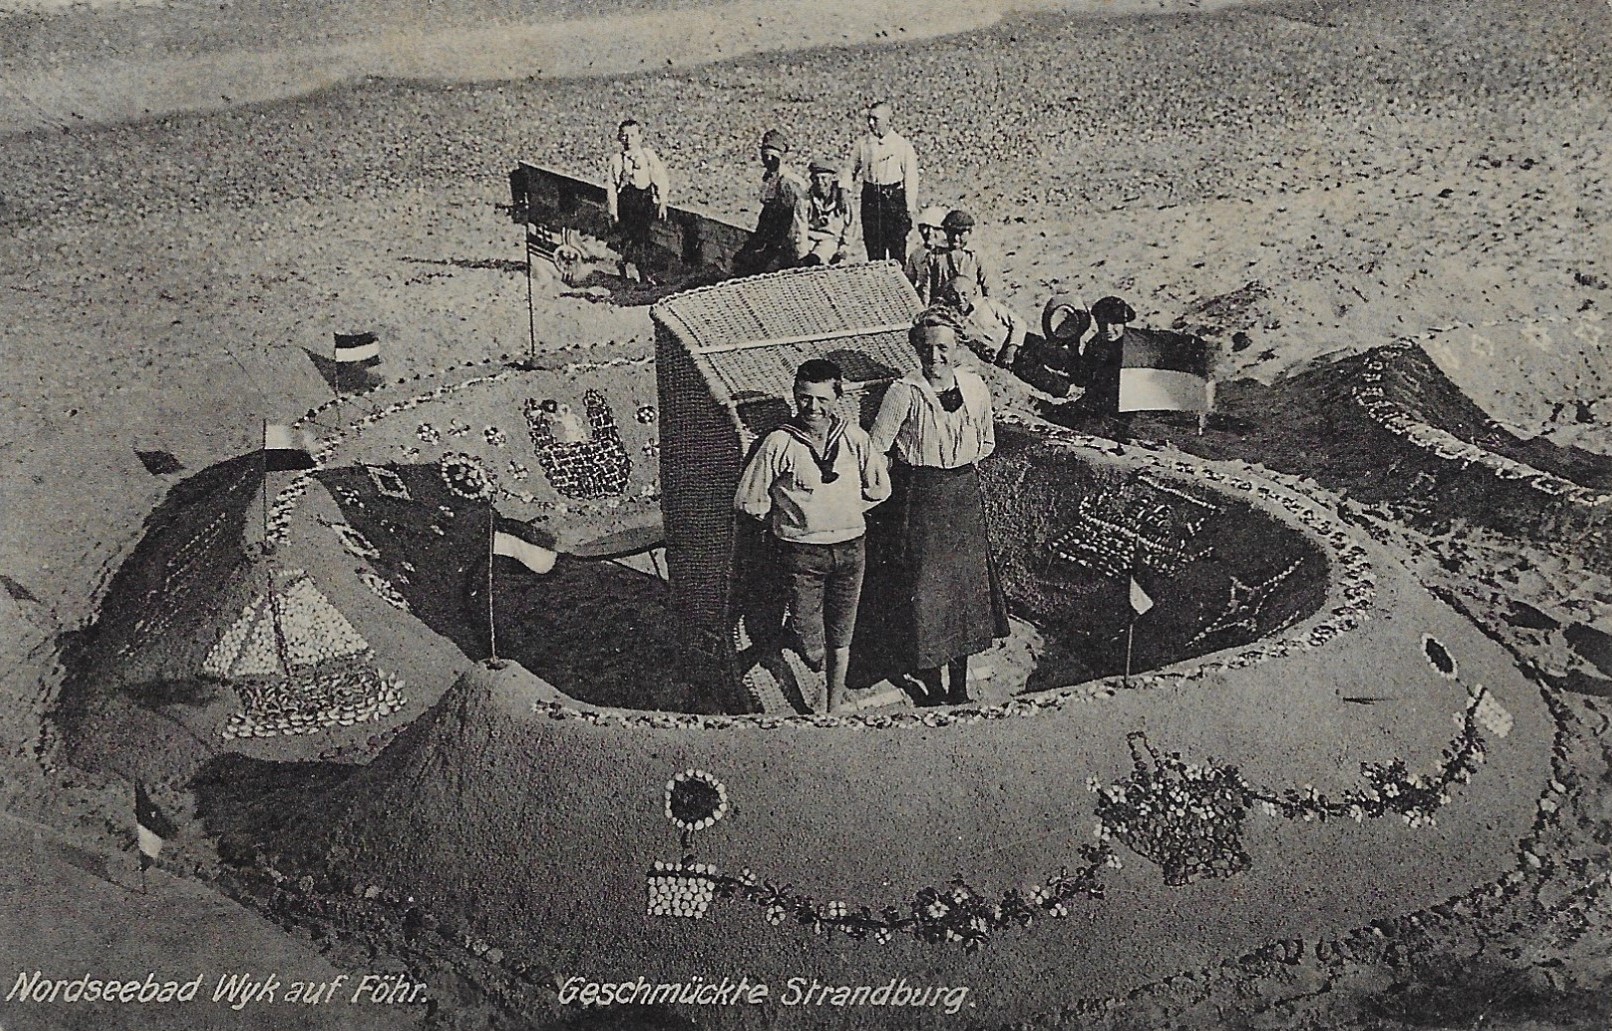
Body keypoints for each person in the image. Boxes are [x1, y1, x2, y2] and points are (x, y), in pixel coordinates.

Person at [863, 307, 1010, 706]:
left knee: (963, 593)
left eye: (943, 347)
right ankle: (934, 687)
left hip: (963, 496)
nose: (935, 356)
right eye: (926, 348)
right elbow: (876, 448)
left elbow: (987, 441)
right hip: (922, 499)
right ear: (916, 348)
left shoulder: (975, 387)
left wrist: (959, 464)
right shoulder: (904, 392)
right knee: (926, 593)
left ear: (958, 347)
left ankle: (959, 687)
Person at [734, 359, 891, 713]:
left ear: (838, 397)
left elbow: (880, 488)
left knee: (841, 638)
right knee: (812, 647)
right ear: (795, 394)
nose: (813, 407)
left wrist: (846, 511)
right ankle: (793, 639)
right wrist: (792, 520)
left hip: (851, 551)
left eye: (822, 399)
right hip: (802, 555)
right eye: (805, 397)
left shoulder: (854, 438)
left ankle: (832, 710)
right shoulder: (779, 442)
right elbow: (749, 500)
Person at [847, 100, 919, 262]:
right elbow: (850, 167)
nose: (871, 123)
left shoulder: (902, 146)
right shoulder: (863, 144)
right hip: (871, 199)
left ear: (889, 121)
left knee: (897, 248)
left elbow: (911, 178)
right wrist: (845, 190)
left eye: (876, 119)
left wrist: (910, 208)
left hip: (893, 202)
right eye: (869, 119)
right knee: (873, 248)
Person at [733, 129, 807, 276]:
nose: (768, 160)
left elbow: (799, 220)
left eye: (773, 157)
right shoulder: (769, 177)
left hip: (787, 235)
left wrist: (800, 251)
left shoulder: (789, 182)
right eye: (765, 156)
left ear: (782, 157)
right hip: (771, 232)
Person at [604, 118, 669, 284]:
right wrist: (613, 211)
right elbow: (612, 187)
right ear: (619, 138)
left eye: (633, 135)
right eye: (624, 136)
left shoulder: (647, 156)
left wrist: (662, 202)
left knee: (643, 238)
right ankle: (639, 273)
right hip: (627, 204)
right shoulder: (617, 160)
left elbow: (660, 178)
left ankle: (634, 268)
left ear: (640, 137)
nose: (629, 140)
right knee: (633, 238)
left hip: (645, 202)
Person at [940, 275, 1024, 368]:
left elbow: (1019, 324)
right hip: (998, 363)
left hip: (1020, 348)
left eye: (964, 294)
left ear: (974, 292)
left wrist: (1010, 351)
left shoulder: (989, 304)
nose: (960, 299)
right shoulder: (954, 321)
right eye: (954, 295)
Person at [922, 209, 997, 302]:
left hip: (970, 305)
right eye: (952, 233)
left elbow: (988, 288)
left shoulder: (976, 256)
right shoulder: (934, 256)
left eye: (960, 233)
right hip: (943, 306)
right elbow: (926, 289)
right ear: (945, 231)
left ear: (969, 232)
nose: (955, 238)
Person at [795, 159, 855, 266]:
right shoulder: (804, 200)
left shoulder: (841, 200)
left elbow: (850, 225)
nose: (820, 182)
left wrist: (844, 248)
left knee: (817, 259)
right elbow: (800, 228)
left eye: (824, 178)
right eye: (816, 178)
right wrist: (802, 254)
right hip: (809, 239)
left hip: (830, 240)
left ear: (832, 179)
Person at [904, 205, 948, 297]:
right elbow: (908, 282)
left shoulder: (949, 254)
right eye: (924, 227)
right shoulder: (916, 254)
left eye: (935, 228)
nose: (929, 232)